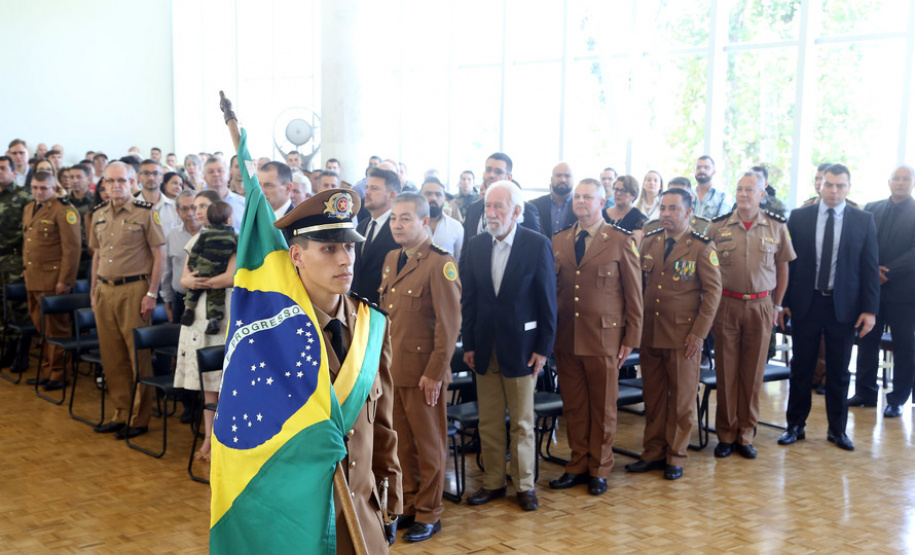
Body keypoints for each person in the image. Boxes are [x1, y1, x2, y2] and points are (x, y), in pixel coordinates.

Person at [272, 188, 402, 553]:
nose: (345, 259)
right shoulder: (274, 336)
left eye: (350, 247)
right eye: (329, 249)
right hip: (301, 519)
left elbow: (383, 423)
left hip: (362, 509)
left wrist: (390, 498)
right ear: (296, 254)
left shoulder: (371, 325)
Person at [461, 181, 557, 512]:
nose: (491, 213)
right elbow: (469, 300)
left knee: (522, 422)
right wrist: (470, 344)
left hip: (523, 349)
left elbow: (547, 303)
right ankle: (493, 484)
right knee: (488, 421)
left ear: (516, 211)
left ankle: (524, 485)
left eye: (498, 206)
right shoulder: (475, 246)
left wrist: (543, 349)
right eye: (488, 206)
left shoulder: (536, 245)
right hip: (485, 350)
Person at [548, 179, 642, 496]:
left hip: (605, 338)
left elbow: (634, 293)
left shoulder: (618, 240)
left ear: (601, 202)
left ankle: (599, 467)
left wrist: (631, 337)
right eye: (577, 197)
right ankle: (577, 463)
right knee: (574, 405)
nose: (581, 202)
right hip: (567, 337)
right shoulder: (559, 240)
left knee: (602, 407)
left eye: (588, 197)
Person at [777, 164, 879, 452]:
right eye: (829, 184)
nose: (834, 191)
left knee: (839, 371)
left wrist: (870, 310)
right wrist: (783, 303)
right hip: (806, 304)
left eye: (840, 186)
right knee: (801, 368)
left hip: (843, 307)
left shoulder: (863, 220)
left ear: (848, 187)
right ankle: (795, 426)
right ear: (819, 185)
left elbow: (870, 268)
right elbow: (788, 265)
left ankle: (837, 430)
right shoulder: (799, 217)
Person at [377, 192, 461, 543]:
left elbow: (449, 324)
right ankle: (409, 503)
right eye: (394, 218)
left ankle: (429, 512)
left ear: (425, 222)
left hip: (423, 372)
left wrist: (436, 372)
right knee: (401, 445)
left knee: (429, 446)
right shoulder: (391, 258)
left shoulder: (440, 263)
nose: (397, 224)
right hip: (394, 371)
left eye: (406, 218)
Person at [626, 189, 721, 480]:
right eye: (663, 208)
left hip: (684, 339)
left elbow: (713, 294)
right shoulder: (650, 242)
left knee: (680, 400)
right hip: (651, 334)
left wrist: (699, 334)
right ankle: (653, 452)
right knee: (653, 398)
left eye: (673, 209)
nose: (666, 214)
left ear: (688, 213)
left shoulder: (702, 247)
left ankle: (676, 456)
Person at [706, 171, 795, 459]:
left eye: (750, 190)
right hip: (726, 306)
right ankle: (726, 434)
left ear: (761, 194)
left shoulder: (776, 226)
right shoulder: (717, 227)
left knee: (753, 373)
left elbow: (783, 268)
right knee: (726, 372)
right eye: (740, 189)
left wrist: (777, 305)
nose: (743, 194)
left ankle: (746, 434)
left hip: (761, 307)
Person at [89, 161, 165, 440]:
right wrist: (93, 288)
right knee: (112, 356)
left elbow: (160, 255)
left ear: (133, 182)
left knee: (137, 356)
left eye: (121, 180)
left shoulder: (146, 213)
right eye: (110, 181)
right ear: (104, 184)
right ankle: (119, 413)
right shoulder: (98, 214)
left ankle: (139, 417)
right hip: (104, 290)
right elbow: (97, 254)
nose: (115, 186)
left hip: (135, 290)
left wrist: (152, 293)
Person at [849, 165, 915, 418]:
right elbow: (859, 241)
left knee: (904, 345)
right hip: (871, 289)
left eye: (905, 179)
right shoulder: (872, 208)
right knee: (867, 341)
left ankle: (898, 399)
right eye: (896, 178)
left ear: (912, 183)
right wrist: (872, 271)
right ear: (889, 182)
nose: (900, 182)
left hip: (904, 292)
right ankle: (865, 392)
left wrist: (888, 272)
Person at [173, 189, 231, 461]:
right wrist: (192, 283)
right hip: (197, 313)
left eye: (204, 206)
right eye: (196, 206)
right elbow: (184, 279)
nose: (199, 211)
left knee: (224, 380)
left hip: (221, 312)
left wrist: (203, 282)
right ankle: (208, 438)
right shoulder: (197, 239)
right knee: (208, 382)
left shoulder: (235, 238)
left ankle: (225, 439)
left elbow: (231, 277)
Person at [21, 171, 81, 391]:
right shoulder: (29, 208)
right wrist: (25, 268)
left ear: (54, 188)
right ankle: (47, 370)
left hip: (53, 280)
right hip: (33, 277)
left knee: (57, 329)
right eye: (35, 187)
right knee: (42, 328)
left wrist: (65, 280)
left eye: (44, 188)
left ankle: (59, 373)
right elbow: (28, 242)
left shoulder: (64, 210)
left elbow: (72, 249)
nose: (39, 192)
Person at [461, 153, 542, 250]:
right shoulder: (473, 209)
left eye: (498, 172)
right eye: (488, 170)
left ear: (509, 178)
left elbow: (535, 248)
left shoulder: (526, 210)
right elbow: (466, 250)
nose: (491, 175)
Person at [179, 201, 237, 335]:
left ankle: (188, 310)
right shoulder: (234, 236)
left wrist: (191, 265)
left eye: (202, 206)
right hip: (218, 273)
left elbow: (195, 251)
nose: (198, 211)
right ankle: (214, 320)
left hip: (201, 270)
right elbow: (238, 251)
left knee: (193, 292)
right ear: (228, 219)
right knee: (216, 297)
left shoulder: (203, 235)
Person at [0, 155, 33, 374]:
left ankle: (22, 354)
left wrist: (27, 264)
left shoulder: (24, 198)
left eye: (3, 168)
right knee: (1, 310)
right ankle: (7, 349)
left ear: (14, 172)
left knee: (18, 309)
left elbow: (32, 235)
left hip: (14, 259)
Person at [352, 167, 401, 305]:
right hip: (358, 308)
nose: (366, 192)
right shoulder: (362, 226)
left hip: (386, 310)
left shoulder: (399, 229)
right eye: (367, 187)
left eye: (374, 188)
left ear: (392, 195)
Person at [160, 190, 200, 324]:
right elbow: (167, 271)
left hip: (209, 300)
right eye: (184, 209)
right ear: (177, 211)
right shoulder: (172, 235)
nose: (190, 213)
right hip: (180, 300)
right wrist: (167, 301)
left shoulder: (215, 233)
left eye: (194, 207)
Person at [420, 177, 463, 260]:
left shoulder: (456, 227)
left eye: (438, 194)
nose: (433, 198)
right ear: (420, 197)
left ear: (444, 199)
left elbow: (459, 261)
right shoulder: (410, 225)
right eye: (428, 194)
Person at [531, 162, 576, 238]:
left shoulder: (581, 206)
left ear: (573, 180)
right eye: (558, 175)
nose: (563, 180)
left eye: (567, 176)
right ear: (551, 179)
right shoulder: (534, 205)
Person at [137, 159, 180, 235]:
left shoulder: (175, 207)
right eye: (146, 173)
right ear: (139, 177)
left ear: (162, 178)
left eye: (155, 173)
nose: (151, 177)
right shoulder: (131, 207)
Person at [67, 164, 95, 278]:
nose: (75, 180)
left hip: (91, 257)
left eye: (79, 177)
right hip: (70, 259)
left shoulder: (96, 202)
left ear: (88, 179)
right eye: (71, 177)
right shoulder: (62, 203)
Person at [203, 157, 245, 232]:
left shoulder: (242, 202)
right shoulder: (198, 203)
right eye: (210, 172)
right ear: (204, 177)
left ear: (228, 176)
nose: (216, 174)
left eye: (220, 171)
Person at [603, 175, 648, 242]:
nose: (618, 193)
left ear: (634, 195)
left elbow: (635, 247)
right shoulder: (602, 214)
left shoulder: (639, 219)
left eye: (623, 191)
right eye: (616, 189)